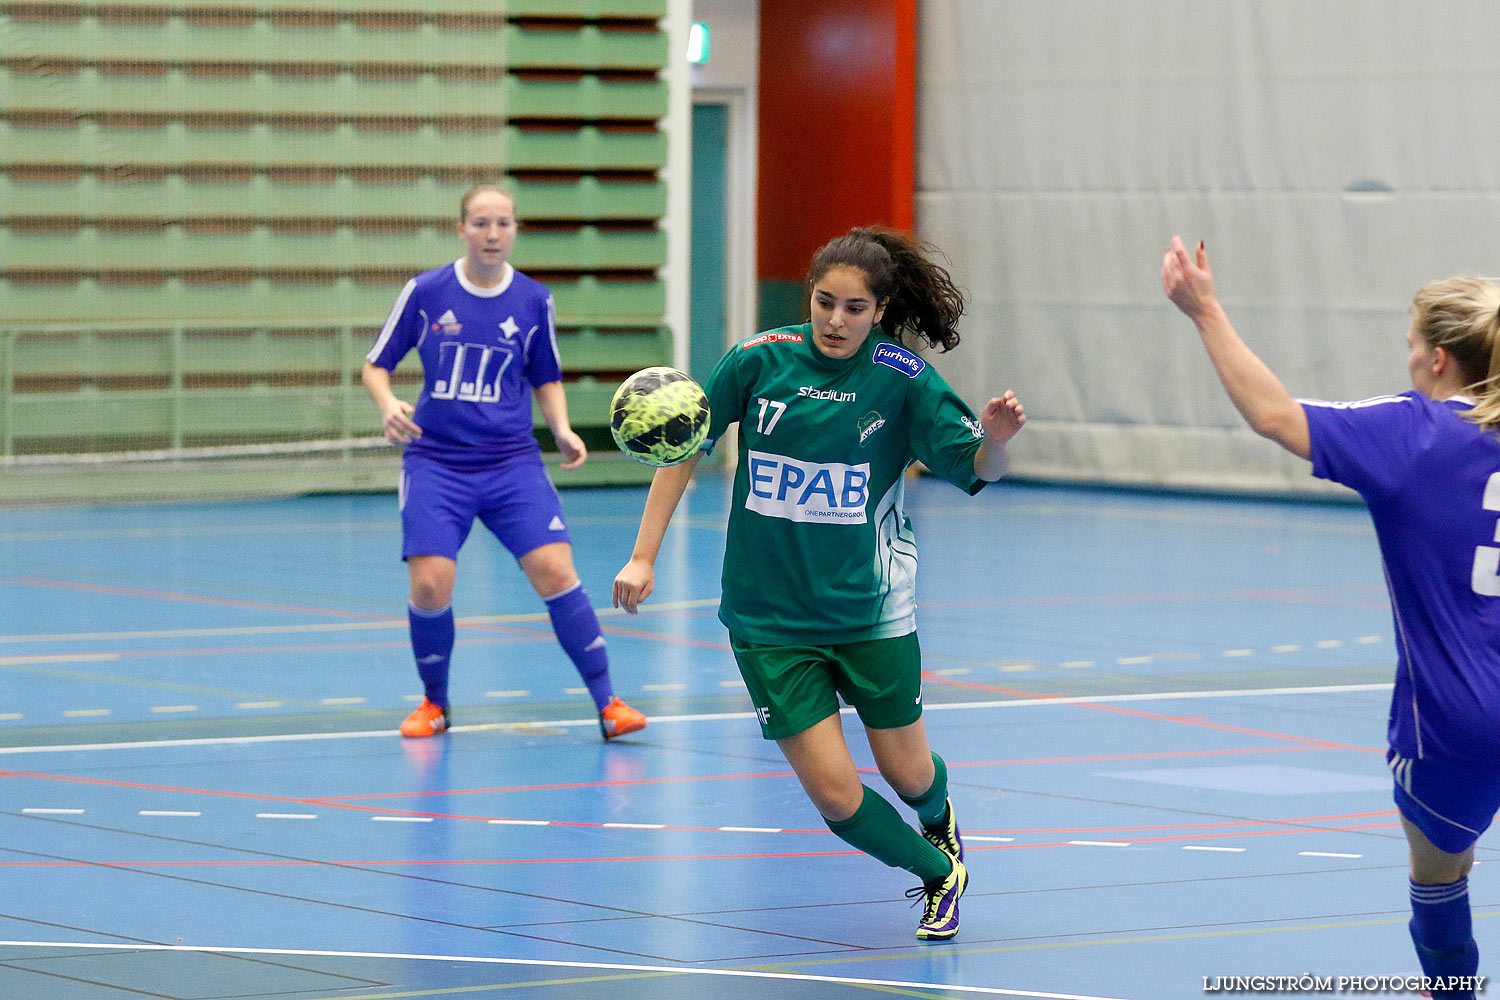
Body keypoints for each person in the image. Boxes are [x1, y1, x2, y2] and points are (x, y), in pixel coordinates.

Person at [613, 226, 1026, 941]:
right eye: (825, 302)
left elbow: (977, 473)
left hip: (870, 612)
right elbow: (684, 450)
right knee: (837, 795)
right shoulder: (757, 361)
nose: (836, 320)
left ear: (881, 308)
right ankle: (938, 873)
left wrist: (994, 440)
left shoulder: (903, 379)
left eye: (855, 307)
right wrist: (643, 556)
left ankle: (939, 818)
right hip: (769, 619)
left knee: (909, 774)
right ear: (809, 295)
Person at [1163, 235, 1500, 999]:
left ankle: (1451, 993)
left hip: (1462, 721)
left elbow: (1277, 417)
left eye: (1412, 345)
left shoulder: (1415, 433)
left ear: (1440, 359)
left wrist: (1205, 309)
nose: (1409, 359)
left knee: (1440, 869)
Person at [362, 183, 647, 741]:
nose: (493, 234)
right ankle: (435, 704)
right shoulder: (426, 291)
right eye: (481, 223)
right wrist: (387, 402)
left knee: (558, 572)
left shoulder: (534, 299)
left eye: (504, 223)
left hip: (512, 465)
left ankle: (609, 703)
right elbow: (375, 365)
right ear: (461, 228)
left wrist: (561, 429)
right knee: (430, 587)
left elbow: (546, 375)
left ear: (516, 229)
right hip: (437, 463)